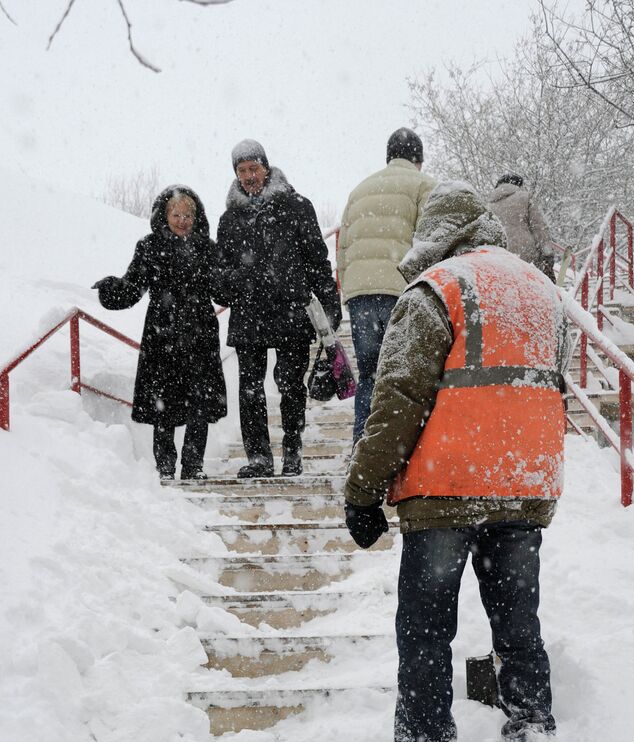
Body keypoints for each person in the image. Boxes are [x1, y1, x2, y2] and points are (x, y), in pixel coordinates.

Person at [344, 181, 568, 742]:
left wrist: (363, 491)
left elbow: (394, 403)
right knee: (517, 625)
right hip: (523, 488)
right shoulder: (540, 293)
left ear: (433, 233)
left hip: (445, 490)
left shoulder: (435, 290)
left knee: (424, 635)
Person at [216, 139, 342, 478]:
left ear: (266, 168)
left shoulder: (298, 207)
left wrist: (330, 305)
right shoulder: (229, 220)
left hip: (290, 310)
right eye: (242, 171)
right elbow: (220, 276)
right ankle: (258, 457)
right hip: (247, 313)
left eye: (253, 168)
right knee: (250, 389)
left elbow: (318, 261)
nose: (248, 176)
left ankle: (292, 450)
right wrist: (234, 280)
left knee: (290, 384)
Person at [93, 185, 226, 480]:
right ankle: (165, 467)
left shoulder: (208, 248)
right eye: (176, 214)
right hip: (162, 334)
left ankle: (194, 467)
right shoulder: (150, 246)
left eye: (188, 215)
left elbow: (221, 291)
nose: (182, 220)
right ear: (164, 215)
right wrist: (110, 291)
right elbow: (133, 287)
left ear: (197, 216)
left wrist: (238, 282)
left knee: (199, 404)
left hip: (200, 332)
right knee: (162, 404)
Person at [338, 128, 436, 444]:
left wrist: (349, 290)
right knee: (405, 374)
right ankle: (397, 449)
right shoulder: (425, 185)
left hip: (361, 293)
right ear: (418, 159)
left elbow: (343, 249)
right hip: (402, 290)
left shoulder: (360, 190)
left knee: (369, 375)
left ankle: (361, 446)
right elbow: (430, 242)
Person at [487, 173, 555, 281]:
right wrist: (547, 253)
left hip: (499, 258)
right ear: (518, 184)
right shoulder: (525, 197)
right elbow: (539, 227)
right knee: (531, 288)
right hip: (525, 256)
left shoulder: (488, 206)